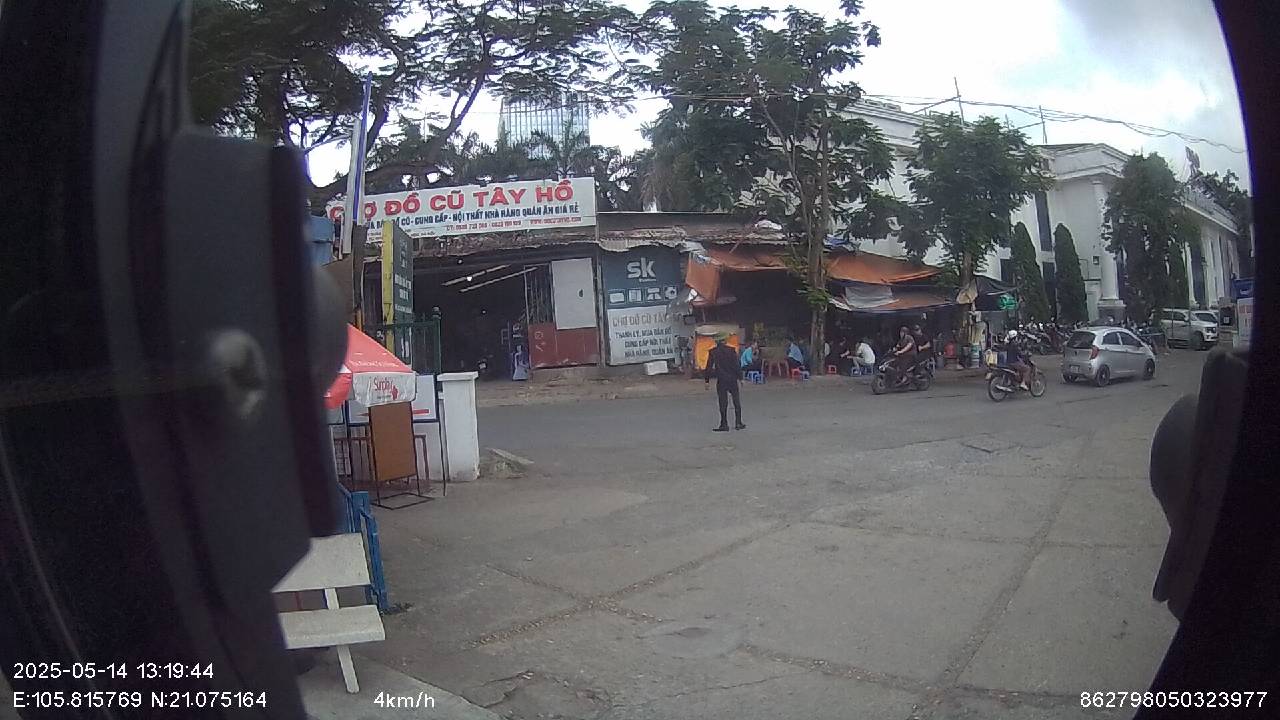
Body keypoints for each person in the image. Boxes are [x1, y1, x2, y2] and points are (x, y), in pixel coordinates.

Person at [704, 334, 745, 431]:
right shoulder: (731, 350)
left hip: (721, 379)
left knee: (723, 402)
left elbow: (708, 367)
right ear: (725, 340)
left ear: (716, 341)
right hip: (732, 379)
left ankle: (724, 424)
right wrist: (741, 378)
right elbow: (736, 365)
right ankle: (738, 422)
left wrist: (707, 380)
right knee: (736, 401)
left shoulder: (713, 352)